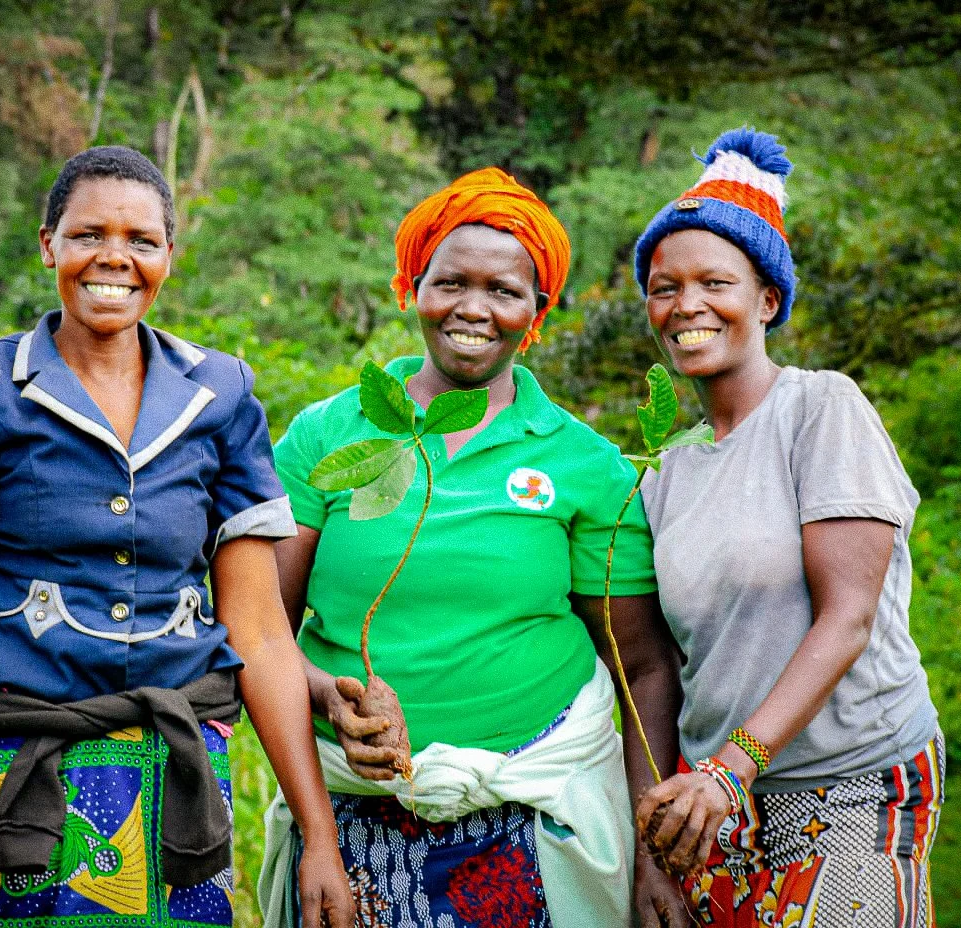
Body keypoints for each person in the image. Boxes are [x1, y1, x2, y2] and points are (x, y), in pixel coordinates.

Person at [0, 146, 353, 928]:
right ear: (49, 244)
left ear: (168, 258)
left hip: (179, 784)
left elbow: (257, 627)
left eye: (141, 240)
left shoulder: (221, 394)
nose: (114, 257)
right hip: (20, 777)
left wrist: (318, 835)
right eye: (88, 235)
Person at [259, 168, 688, 928]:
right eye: (450, 281)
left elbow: (644, 667)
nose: (473, 309)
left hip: (531, 816)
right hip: (349, 820)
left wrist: (652, 859)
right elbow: (260, 631)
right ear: (411, 286)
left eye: (504, 291)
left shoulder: (585, 463)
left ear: (537, 312)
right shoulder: (333, 432)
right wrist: (328, 698)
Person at [631, 129, 943, 927]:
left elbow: (847, 620)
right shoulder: (664, 471)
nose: (686, 305)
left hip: (854, 781)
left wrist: (732, 771)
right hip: (715, 805)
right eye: (663, 288)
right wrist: (654, 841)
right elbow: (660, 666)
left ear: (768, 300)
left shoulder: (821, 409)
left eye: (714, 282)